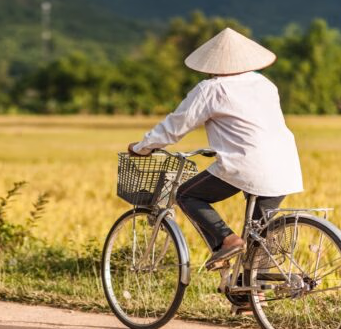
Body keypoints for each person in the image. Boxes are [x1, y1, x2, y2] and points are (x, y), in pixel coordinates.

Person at [128, 27, 303, 271]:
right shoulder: (264, 84)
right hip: (285, 165)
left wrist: (143, 147)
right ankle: (252, 298)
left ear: (212, 63)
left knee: (187, 195)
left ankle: (227, 240)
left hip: (247, 165)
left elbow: (176, 125)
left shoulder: (211, 88)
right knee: (258, 239)